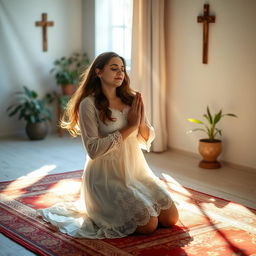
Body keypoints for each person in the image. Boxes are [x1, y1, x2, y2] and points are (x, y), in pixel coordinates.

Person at [37, 52, 179, 239]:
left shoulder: (132, 98)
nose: (120, 72)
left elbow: (146, 138)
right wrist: (130, 127)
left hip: (135, 171)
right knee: (148, 225)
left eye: (122, 68)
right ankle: (101, 210)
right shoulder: (88, 104)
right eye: (114, 68)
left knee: (171, 218)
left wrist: (141, 123)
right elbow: (93, 150)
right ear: (99, 72)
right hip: (105, 178)